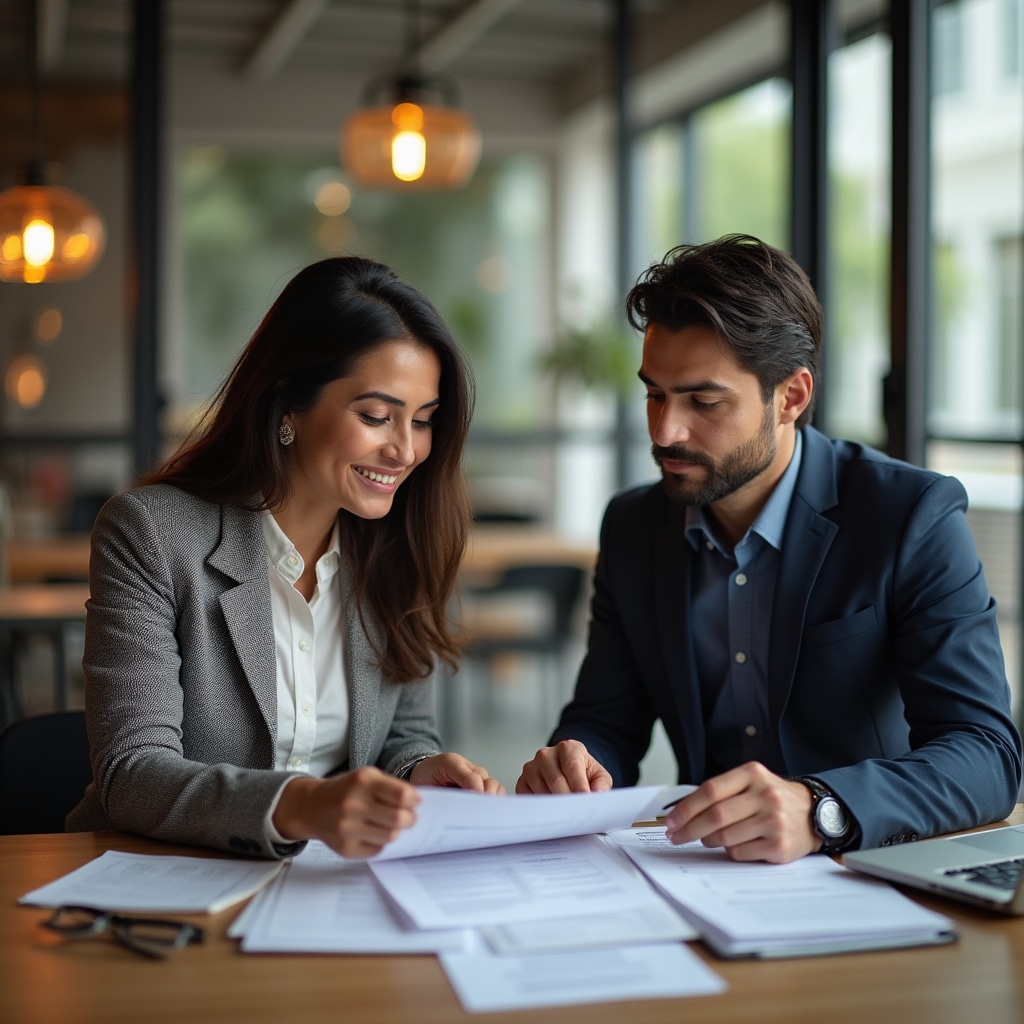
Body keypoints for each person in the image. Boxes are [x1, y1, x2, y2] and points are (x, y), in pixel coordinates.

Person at [518, 234, 1023, 864]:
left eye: (704, 401)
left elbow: (985, 754)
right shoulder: (633, 526)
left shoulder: (909, 516)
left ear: (791, 397)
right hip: (702, 873)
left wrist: (821, 809)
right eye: (655, 394)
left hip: (865, 871)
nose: (666, 431)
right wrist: (577, 765)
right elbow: (606, 719)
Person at [68, 255, 504, 860]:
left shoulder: (398, 548)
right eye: (376, 416)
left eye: (424, 421)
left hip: (328, 886)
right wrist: (301, 805)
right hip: (162, 881)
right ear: (289, 408)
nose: (404, 449)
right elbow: (132, 772)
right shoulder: (154, 533)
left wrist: (420, 771)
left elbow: (402, 735)